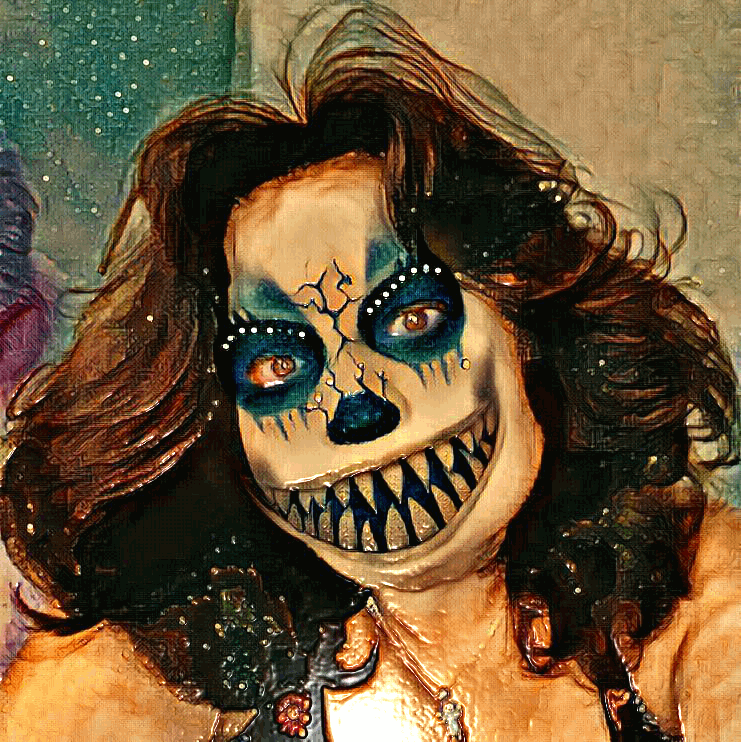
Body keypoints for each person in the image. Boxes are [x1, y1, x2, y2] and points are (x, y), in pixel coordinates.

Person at [1, 4, 739, 741]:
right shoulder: (173, 657)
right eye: (278, 365)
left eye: (410, 319)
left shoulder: (687, 599)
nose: (357, 406)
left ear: (526, 324)